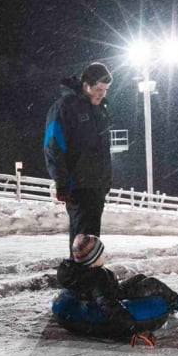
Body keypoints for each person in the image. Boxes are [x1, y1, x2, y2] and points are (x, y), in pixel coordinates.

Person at [57, 233, 178, 328]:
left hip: (114, 291)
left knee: (141, 278)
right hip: (117, 297)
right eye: (102, 253)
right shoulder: (97, 278)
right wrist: (128, 323)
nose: (105, 255)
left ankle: (173, 300)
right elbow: (106, 302)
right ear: (93, 258)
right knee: (152, 283)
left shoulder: (82, 271)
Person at [44, 61, 113, 241]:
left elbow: (103, 149)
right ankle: (79, 269)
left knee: (92, 240)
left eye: (105, 90)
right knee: (81, 240)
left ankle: (90, 269)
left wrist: (105, 179)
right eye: (98, 89)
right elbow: (53, 146)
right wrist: (61, 181)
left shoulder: (100, 110)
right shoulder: (65, 107)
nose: (102, 94)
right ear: (85, 85)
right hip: (78, 186)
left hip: (96, 186)